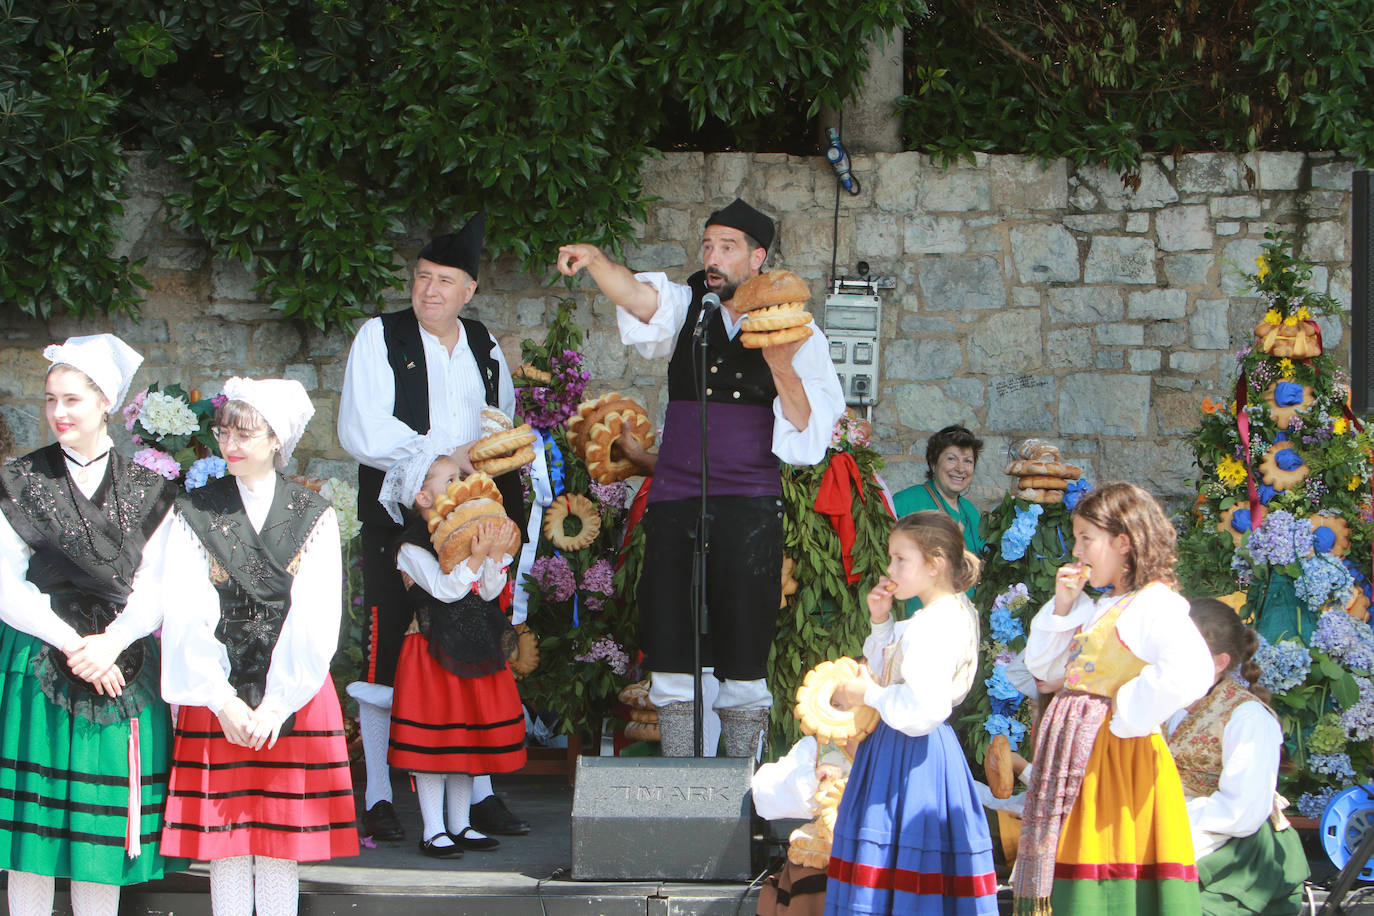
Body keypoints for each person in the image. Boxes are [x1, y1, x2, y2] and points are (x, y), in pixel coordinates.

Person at [556, 198, 845, 756]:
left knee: (744, 638)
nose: (712, 256)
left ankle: (737, 790)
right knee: (668, 632)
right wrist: (595, 260)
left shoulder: (800, 332)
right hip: (675, 498)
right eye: (708, 245)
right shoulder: (690, 303)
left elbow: (808, 438)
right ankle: (679, 778)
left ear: (758, 258)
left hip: (750, 505)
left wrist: (782, 361)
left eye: (728, 247)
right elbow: (639, 297)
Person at [339, 212, 529, 839]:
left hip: (473, 518)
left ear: (468, 290)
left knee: (473, 642)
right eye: (422, 278)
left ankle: (478, 793)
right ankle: (376, 795)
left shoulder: (485, 346)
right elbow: (364, 428)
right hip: (399, 515)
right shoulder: (380, 335)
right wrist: (439, 461)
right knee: (389, 647)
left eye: (445, 281)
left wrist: (478, 467)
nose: (429, 291)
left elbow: (500, 427)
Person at [153, 377, 358, 916]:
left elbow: (316, 615)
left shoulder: (312, 513)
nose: (231, 444)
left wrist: (275, 703)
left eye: (246, 433)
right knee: (224, 844)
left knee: (277, 846)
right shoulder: (196, 510)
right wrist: (221, 700)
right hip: (215, 690)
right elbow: (184, 609)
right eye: (224, 432)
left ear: (276, 440)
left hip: (293, 691)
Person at [0, 334, 185, 916]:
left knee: (100, 840)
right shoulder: (18, 479)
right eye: (51, 399)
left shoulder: (151, 488)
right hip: (37, 658)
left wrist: (113, 642)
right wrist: (74, 643)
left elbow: (159, 584)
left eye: (73, 399)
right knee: (32, 837)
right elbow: (4, 582)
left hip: (122, 665)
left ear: (106, 401)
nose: (58, 412)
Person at [1015, 482, 1213, 915]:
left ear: (1124, 542)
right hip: (1080, 757)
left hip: (1116, 760)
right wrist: (1064, 606)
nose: (1077, 549)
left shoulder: (1153, 603)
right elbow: (1046, 671)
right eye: (1076, 537)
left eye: (1087, 538)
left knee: (1105, 867)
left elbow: (1191, 670)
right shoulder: (1100, 605)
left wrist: (1123, 712)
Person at [824, 511, 997, 915]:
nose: (891, 568)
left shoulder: (933, 626)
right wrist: (881, 622)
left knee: (903, 864)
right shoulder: (947, 613)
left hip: (910, 757)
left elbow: (924, 708)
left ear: (935, 564)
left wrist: (867, 694)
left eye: (901, 559)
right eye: (892, 558)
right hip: (921, 752)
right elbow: (897, 671)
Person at [376, 449, 527, 857]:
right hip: (431, 648)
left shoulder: (468, 530)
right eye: (449, 482)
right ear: (423, 498)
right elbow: (446, 590)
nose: (459, 488)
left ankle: (461, 824)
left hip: (473, 644)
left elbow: (489, 592)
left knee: (466, 739)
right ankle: (433, 828)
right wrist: (476, 557)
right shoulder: (410, 546)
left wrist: (494, 558)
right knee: (435, 745)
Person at [1166, 598, 1308, 915]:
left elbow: (1240, 813)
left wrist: (1161, 820)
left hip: (1238, 855)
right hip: (1176, 833)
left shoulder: (1249, 718)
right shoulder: (1167, 704)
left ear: (1219, 663)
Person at [891, 424, 983, 554]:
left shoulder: (971, 512)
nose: (960, 468)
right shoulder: (905, 503)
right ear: (934, 464)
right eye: (951, 459)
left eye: (968, 461)